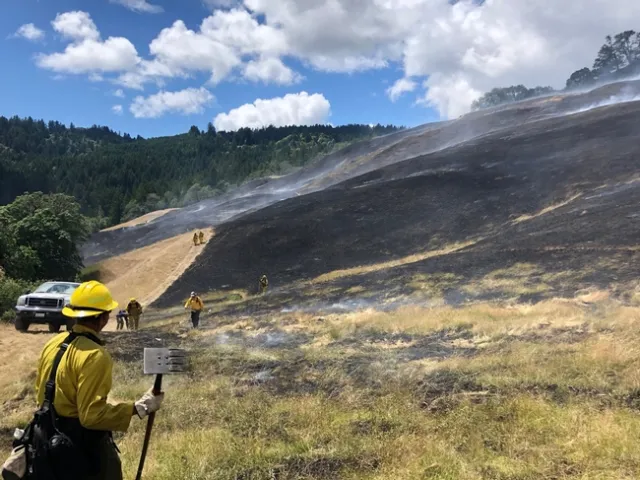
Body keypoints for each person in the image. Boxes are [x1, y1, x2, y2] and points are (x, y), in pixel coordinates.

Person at [33, 281, 164, 480]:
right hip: (78, 450)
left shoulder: (53, 343)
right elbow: (91, 417)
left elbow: (42, 393)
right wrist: (137, 408)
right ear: (103, 318)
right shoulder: (95, 355)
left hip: (43, 439)